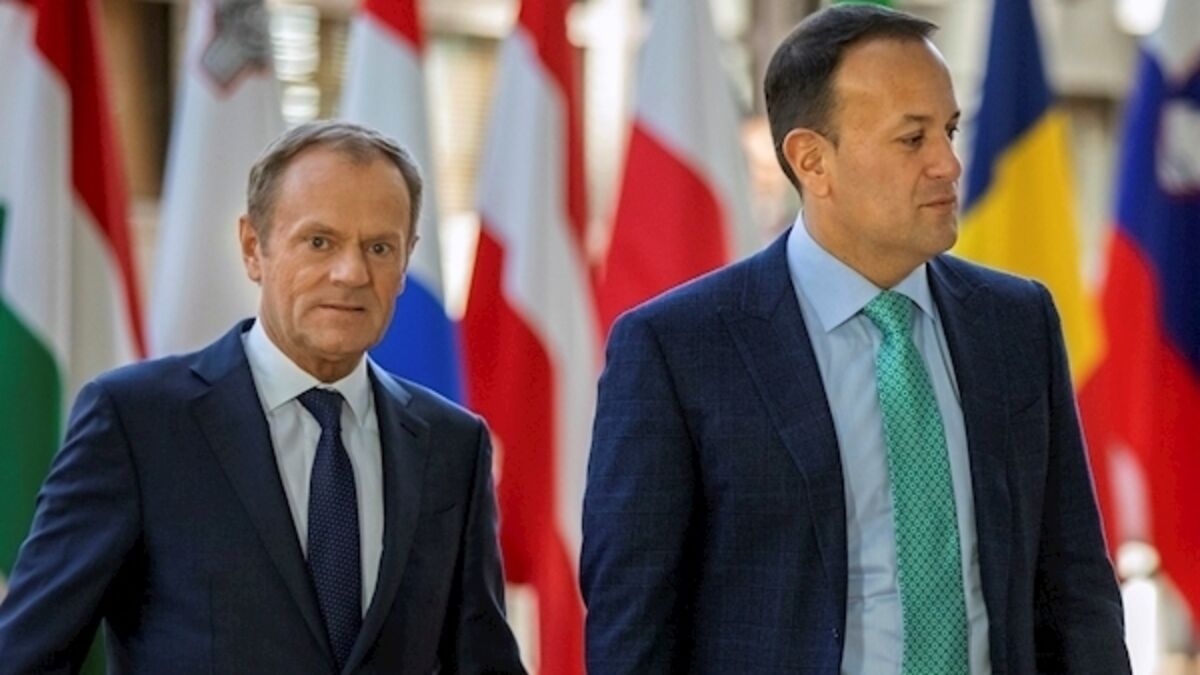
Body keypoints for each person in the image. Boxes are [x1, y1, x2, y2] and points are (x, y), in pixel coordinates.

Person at [581, 5, 1130, 674]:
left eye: (950, 130)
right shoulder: (677, 349)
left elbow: (1076, 585)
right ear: (812, 160)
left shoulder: (1016, 322)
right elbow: (633, 627)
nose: (949, 163)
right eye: (913, 138)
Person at [0, 121, 525, 674]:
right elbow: (30, 656)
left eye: (378, 247)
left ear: (405, 262)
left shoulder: (452, 445)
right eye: (319, 241)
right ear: (254, 248)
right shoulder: (136, 423)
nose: (351, 273)